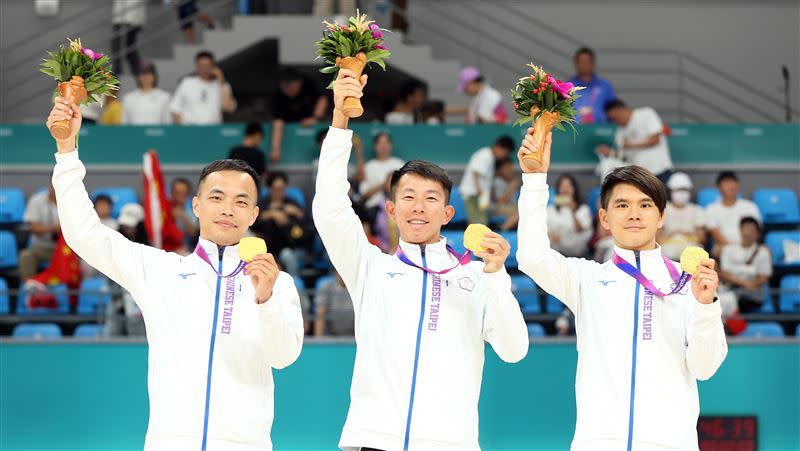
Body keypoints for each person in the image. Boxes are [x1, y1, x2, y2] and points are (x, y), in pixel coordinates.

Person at [46, 97, 303, 450]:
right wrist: (66, 151)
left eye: (241, 201)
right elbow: (85, 235)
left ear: (254, 214)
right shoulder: (161, 270)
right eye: (216, 197)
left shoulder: (277, 283)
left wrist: (267, 300)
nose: (228, 208)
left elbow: (283, 357)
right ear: (196, 205)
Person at [313, 68, 528, 450]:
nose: (418, 207)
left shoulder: (478, 276)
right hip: (373, 440)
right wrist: (340, 121)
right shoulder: (371, 268)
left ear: (447, 213)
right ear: (392, 210)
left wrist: (497, 279)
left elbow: (514, 351)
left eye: (431, 198)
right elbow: (330, 209)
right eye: (408, 197)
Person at [515, 126, 727, 451]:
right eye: (622, 205)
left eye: (645, 205)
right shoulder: (586, 280)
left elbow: (706, 367)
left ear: (661, 216)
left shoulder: (688, 284)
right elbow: (531, 257)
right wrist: (533, 180)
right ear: (604, 217)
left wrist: (707, 307)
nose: (633, 214)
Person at [600, 99, 674, 185]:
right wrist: (610, 153)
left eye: (615, 118)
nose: (615, 121)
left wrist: (630, 145)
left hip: (660, 171)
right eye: (612, 119)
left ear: (622, 110)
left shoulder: (646, 114)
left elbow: (655, 139)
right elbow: (624, 158)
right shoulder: (619, 131)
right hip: (639, 178)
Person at [253, 171, 309, 277]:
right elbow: (252, 224)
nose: (280, 193)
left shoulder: (291, 203)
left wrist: (298, 214)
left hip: (293, 248)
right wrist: (270, 214)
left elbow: (305, 229)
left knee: (287, 255)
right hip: (268, 248)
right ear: (269, 189)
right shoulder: (262, 204)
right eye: (277, 189)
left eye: (283, 189)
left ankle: (295, 284)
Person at [270, 69, 328, 164]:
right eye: (286, 88)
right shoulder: (278, 96)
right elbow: (278, 123)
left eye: (292, 88)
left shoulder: (309, 84)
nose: (289, 91)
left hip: (311, 122)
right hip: (290, 123)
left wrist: (315, 118)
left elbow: (322, 99)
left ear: (299, 83)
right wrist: (275, 149)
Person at [719, 217, 773, 313]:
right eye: (745, 229)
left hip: (753, 294)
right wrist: (745, 283)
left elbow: (762, 278)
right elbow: (724, 274)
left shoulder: (763, 252)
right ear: (740, 230)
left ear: (757, 234)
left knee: (728, 300)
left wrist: (744, 284)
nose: (748, 233)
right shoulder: (728, 249)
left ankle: (731, 326)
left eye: (751, 230)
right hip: (729, 289)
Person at [459, 135, 514, 225]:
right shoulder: (485, 155)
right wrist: (479, 190)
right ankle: (474, 238)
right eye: (505, 153)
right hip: (474, 194)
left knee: (480, 220)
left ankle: (477, 237)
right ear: (499, 147)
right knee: (477, 221)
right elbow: (476, 172)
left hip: (479, 195)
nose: (503, 156)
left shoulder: (490, 157)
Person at [170, 50, 237, 124]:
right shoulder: (187, 82)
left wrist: (221, 80)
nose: (204, 69)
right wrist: (183, 129)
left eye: (207, 65)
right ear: (196, 66)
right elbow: (175, 108)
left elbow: (228, 107)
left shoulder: (222, 85)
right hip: (190, 129)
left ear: (213, 66)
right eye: (201, 65)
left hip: (213, 130)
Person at [705, 171, 762, 256]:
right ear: (718, 187)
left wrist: (744, 247)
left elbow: (756, 231)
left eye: (733, 182)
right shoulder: (711, 209)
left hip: (748, 246)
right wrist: (734, 249)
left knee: (764, 251)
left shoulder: (750, 206)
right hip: (724, 247)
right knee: (717, 251)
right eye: (726, 182)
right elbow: (715, 234)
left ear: (738, 185)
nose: (731, 186)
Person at [659, 172, 706, 261]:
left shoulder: (697, 210)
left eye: (684, 189)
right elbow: (657, 237)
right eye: (678, 190)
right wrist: (672, 234)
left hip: (691, 249)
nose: (681, 193)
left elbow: (702, 238)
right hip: (667, 249)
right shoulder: (662, 209)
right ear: (670, 191)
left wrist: (687, 234)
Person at [19, 185, 60, 280]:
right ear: (52, 184)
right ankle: (29, 288)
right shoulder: (36, 200)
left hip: (66, 248)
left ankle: (76, 292)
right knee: (26, 256)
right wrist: (53, 228)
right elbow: (32, 227)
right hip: (41, 247)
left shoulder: (73, 202)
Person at [546, 174, 593, 257]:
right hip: (555, 254)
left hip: (577, 254)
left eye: (568, 186)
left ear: (574, 189)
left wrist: (573, 211)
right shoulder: (550, 209)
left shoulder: (583, 209)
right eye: (562, 186)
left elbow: (581, 231)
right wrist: (550, 235)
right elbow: (543, 229)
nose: (565, 189)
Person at [568, 47, 617, 124]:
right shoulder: (568, 86)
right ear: (576, 64)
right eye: (580, 62)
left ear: (593, 63)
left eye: (586, 61)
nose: (584, 65)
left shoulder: (605, 86)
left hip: (600, 131)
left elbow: (614, 111)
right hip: (574, 131)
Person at [360, 132, 405, 212]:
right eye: (380, 143)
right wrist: (383, 184)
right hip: (373, 209)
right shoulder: (368, 167)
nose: (383, 146)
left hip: (396, 208)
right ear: (375, 146)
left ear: (391, 145)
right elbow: (364, 194)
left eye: (386, 143)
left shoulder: (399, 164)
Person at [313, 269, 355, 336]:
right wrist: (318, 342)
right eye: (340, 270)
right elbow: (320, 313)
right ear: (335, 272)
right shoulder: (326, 286)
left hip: (353, 338)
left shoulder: (359, 288)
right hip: (329, 338)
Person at [111, 0, 145, 75]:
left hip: (130, 17)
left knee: (120, 47)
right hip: (124, 17)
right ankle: (138, 74)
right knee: (129, 49)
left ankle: (116, 76)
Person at [170, 178, 199, 251]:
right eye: (177, 192)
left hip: (187, 249)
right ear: (171, 193)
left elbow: (194, 234)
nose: (180, 196)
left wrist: (183, 217)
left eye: (183, 193)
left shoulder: (193, 213)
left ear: (188, 194)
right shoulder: (164, 212)